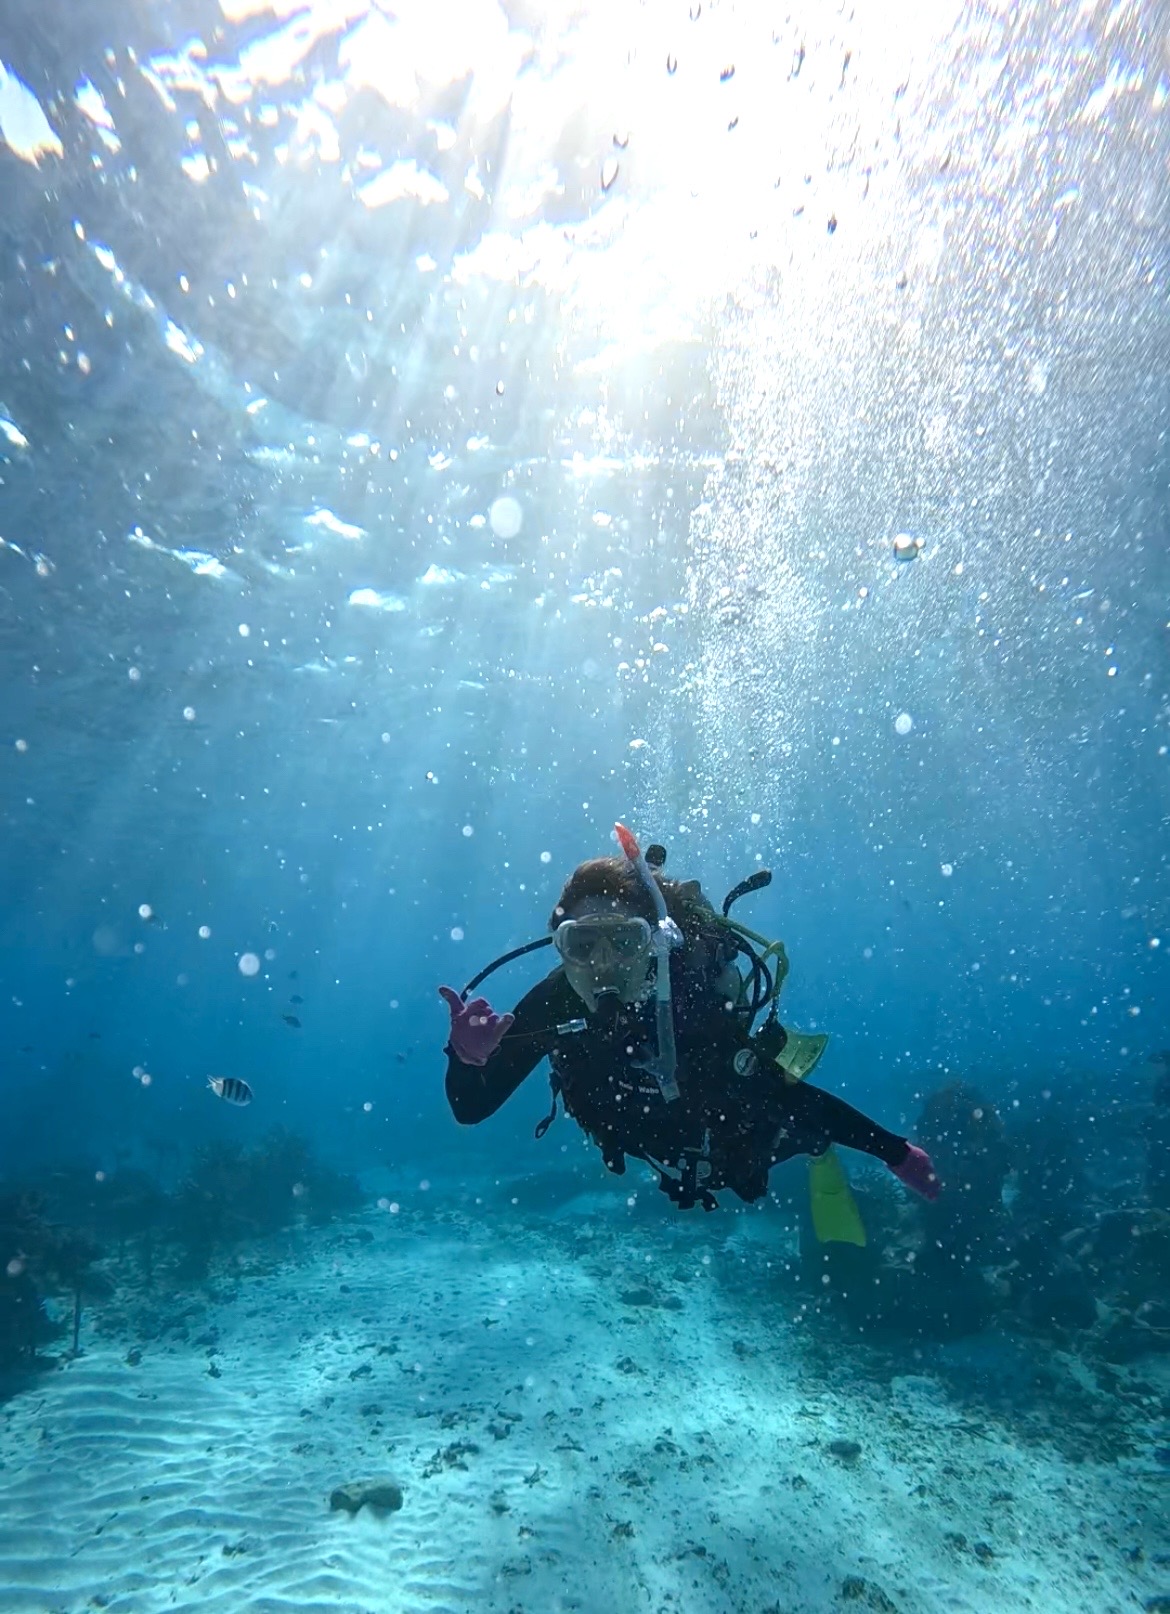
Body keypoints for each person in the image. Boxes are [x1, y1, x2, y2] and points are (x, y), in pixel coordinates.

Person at [439, 825, 939, 1225]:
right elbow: (470, 1108)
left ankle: (817, 1151)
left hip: (725, 1132)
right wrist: (467, 1059)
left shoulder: (684, 998)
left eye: (625, 941)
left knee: (762, 1157)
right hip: (636, 1137)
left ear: (653, 944)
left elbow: (785, 1096)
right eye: (582, 944)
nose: (604, 964)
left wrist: (895, 1152)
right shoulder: (556, 1001)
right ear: (560, 949)